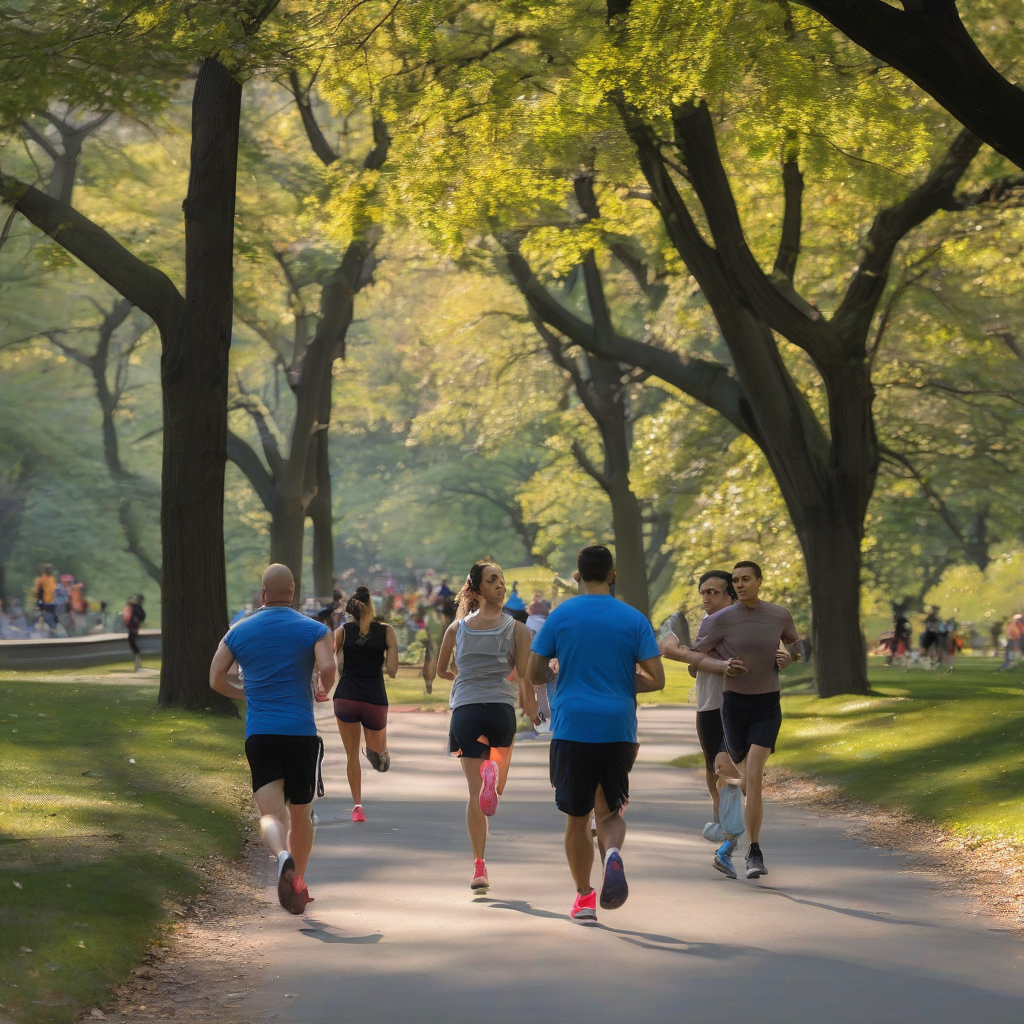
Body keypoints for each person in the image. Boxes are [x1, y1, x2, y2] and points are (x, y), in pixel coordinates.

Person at [527, 545, 664, 923]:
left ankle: (585, 898)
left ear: (577, 575)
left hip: (573, 726)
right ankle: (614, 855)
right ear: (612, 574)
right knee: (609, 812)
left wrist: (556, 673)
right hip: (618, 726)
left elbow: (534, 672)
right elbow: (657, 679)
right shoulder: (633, 618)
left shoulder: (561, 615)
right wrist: (621, 679)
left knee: (577, 817)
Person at [209, 564, 336, 915]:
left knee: (270, 815)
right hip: (300, 734)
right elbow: (328, 667)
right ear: (292, 591)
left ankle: (281, 857)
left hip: (261, 733)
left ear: (262, 593)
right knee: (302, 815)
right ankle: (299, 881)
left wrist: (247, 694)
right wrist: (325, 688)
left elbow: (216, 677)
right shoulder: (314, 629)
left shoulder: (238, 630)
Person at [691, 561, 801, 880]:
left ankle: (754, 853)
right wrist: (723, 664)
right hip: (733, 706)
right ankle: (728, 845)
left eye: (745, 579)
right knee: (736, 780)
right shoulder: (721, 620)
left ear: (759, 581)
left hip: (767, 705)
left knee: (754, 775)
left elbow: (798, 646)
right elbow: (695, 659)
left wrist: (791, 658)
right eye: (736, 580)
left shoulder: (778, 614)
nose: (740, 584)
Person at [436, 561, 537, 892]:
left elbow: (441, 670)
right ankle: (492, 772)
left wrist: (461, 677)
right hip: (500, 711)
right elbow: (524, 675)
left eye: (502, 580)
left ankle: (479, 866)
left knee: (474, 795)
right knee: (494, 790)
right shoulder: (517, 629)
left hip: (465, 710)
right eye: (493, 580)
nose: (500, 585)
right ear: (478, 589)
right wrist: (529, 706)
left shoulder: (456, 629)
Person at [659, 571, 747, 841]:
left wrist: (690, 655)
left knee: (732, 766)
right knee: (711, 767)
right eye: (703, 592)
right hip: (707, 704)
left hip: (732, 704)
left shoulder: (739, 622)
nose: (706, 597)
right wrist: (695, 662)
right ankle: (720, 817)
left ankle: (739, 822)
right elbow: (699, 664)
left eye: (713, 592)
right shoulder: (707, 623)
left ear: (729, 595)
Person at [333, 586, 398, 823]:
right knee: (381, 763)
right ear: (372, 607)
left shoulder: (342, 632)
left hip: (346, 698)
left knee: (351, 756)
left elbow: (331, 664)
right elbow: (391, 671)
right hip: (374, 699)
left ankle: (357, 806)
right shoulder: (386, 631)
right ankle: (378, 751)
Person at [123, 595, 146, 671]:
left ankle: (137, 666)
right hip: (134, 630)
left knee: (135, 649)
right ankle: (137, 665)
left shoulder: (130, 609)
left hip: (132, 631)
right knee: (135, 649)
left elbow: (128, 620)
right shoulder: (135, 609)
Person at [34, 564, 58, 629]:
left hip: (53, 602)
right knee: (45, 617)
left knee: (54, 618)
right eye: (47, 569)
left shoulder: (52, 579)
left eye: (50, 569)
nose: (49, 570)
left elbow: (55, 590)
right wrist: (40, 603)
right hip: (45, 603)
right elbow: (38, 592)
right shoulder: (41, 579)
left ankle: (53, 628)